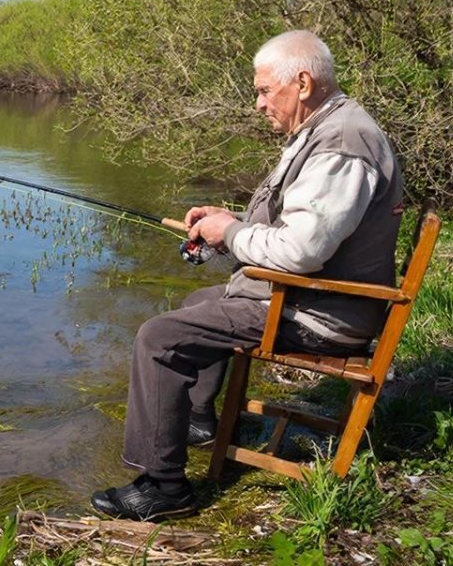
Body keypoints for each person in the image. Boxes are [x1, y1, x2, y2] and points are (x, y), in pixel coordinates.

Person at [91, 30, 405, 521]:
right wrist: (227, 221)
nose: (258, 104)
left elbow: (301, 252)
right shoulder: (325, 128)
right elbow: (299, 224)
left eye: (263, 90)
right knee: (198, 303)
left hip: (322, 312)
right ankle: (197, 421)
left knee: (158, 338)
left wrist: (231, 232)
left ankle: (163, 487)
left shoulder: (342, 143)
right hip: (306, 297)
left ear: (302, 82)